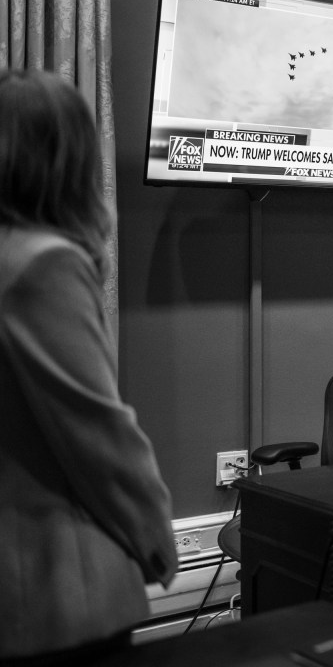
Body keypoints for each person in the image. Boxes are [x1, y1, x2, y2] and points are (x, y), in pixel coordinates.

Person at [0, 69, 178, 664]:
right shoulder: (43, 264)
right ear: (69, 159)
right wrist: (158, 541)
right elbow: (99, 433)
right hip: (58, 595)